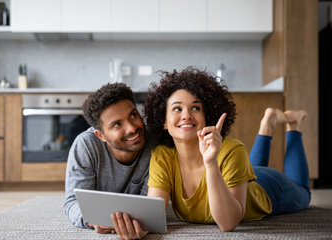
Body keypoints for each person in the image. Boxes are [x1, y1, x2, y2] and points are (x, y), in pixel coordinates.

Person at [111, 67, 311, 238]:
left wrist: (211, 162)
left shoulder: (232, 149)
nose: (186, 115)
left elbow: (228, 223)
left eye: (195, 107)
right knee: (251, 167)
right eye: (177, 109)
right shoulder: (162, 156)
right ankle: (267, 124)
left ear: (208, 116)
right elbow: (154, 216)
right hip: (242, 176)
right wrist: (138, 228)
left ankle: (293, 125)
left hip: (269, 190)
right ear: (163, 121)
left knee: (304, 192)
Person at [64, 82, 157, 234]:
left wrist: (141, 223)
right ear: (101, 136)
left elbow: (150, 206)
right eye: (117, 124)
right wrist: (92, 219)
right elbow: (73, 203)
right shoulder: (86, 145)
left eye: (133, 115)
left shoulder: (154, 143)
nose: (132, 128)